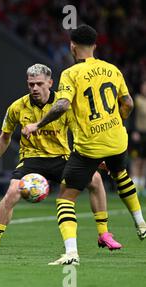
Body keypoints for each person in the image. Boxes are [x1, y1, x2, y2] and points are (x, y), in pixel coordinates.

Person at [23, 25, 146, 265]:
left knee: (66, 198)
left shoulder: (71, 73)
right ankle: (141, 223)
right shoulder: (112, 69)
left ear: (72, 46)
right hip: (117, 139)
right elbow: (128, 103)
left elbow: (62, 106)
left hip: (90, 145)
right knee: (120, 174)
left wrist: (38, 124)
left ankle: (71, 253)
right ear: (95, 46)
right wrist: (117, 121)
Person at [0, 63, 122, 256]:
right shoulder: (17, 107)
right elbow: (4, 138)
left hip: (61, 158)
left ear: (50, 83)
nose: (34, 88)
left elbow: (82, 134)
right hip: (32, 158)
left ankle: (104, 233)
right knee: (13, 191)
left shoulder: (65, 105)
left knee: (95, 180)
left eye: (39, 84)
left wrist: (95, 160)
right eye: (31, 84)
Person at [130, 80, 146, 190]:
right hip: (138, 133)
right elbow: (132, 116)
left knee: (144, 161)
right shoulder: (137, 99)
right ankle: (134, 185)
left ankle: (142, 185)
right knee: (136, 160)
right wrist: (134, 131)